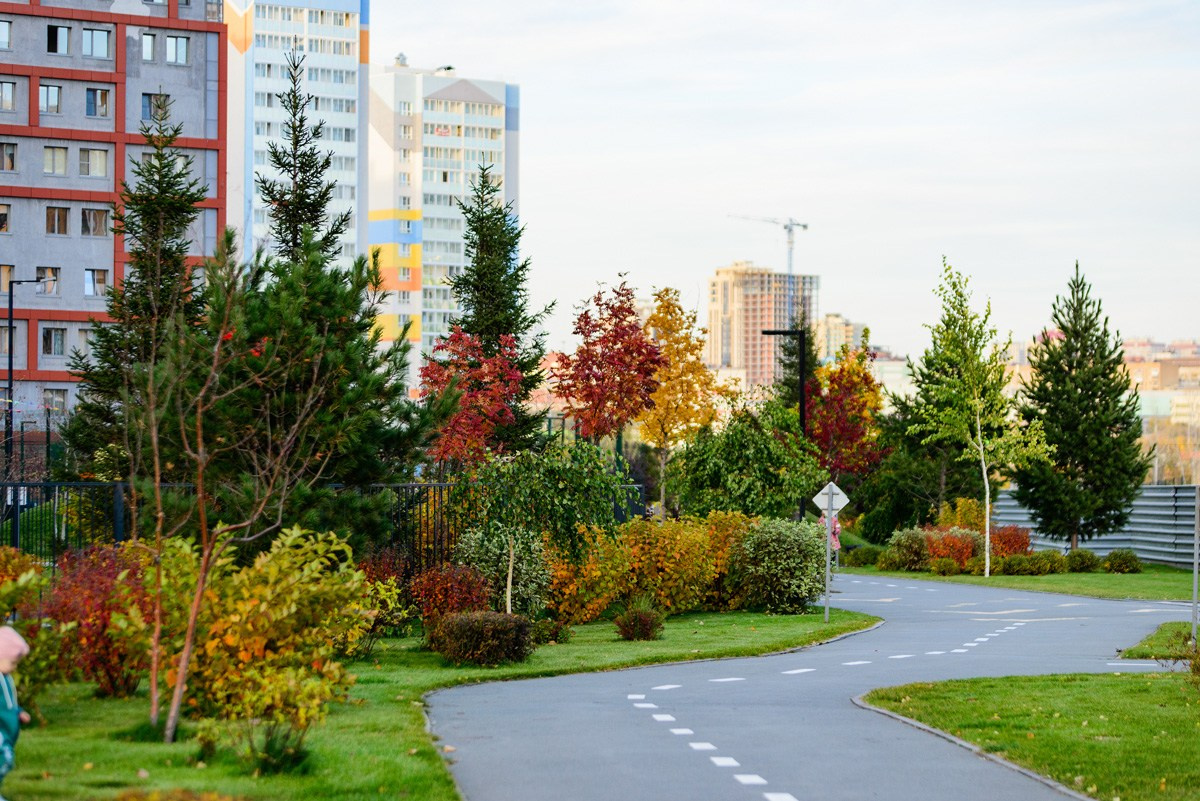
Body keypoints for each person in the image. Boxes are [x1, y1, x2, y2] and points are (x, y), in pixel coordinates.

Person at [0, 626, 29, 801]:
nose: (14, 667)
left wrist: (19, 712)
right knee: (5, 760)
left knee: (6, 761)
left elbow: (9, 703)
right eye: (12, 662)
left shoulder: (6, 678)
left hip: (8, 731)